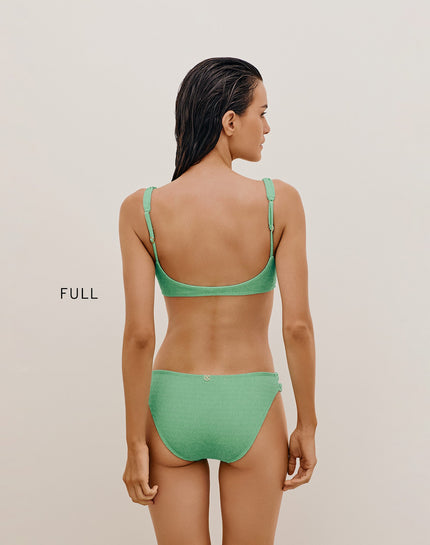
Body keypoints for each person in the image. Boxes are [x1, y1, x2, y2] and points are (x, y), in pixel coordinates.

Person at [119, 57, 317, 545]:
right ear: (230, 121)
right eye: (261, 113)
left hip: (172, 403)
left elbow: (140, 335)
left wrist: (135, 442)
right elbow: (297, 328)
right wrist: (308, 424)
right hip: (250, 403)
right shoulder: (279, 202)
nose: (266, 128)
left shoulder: (142, 209)